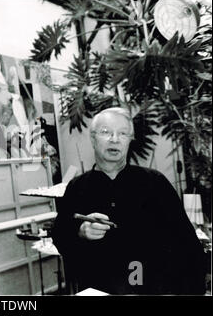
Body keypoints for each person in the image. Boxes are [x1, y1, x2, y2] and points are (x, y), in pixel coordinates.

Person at [51, 107, 206, 295]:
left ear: (130, 140)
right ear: (93, 138)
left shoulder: (154, 183)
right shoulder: (77, 187)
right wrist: (80, 232)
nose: (114, 139)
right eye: (105, 132)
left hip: (153, 288)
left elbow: (187, 242)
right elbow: (60, 236)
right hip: (98, 287)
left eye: (122, 133)